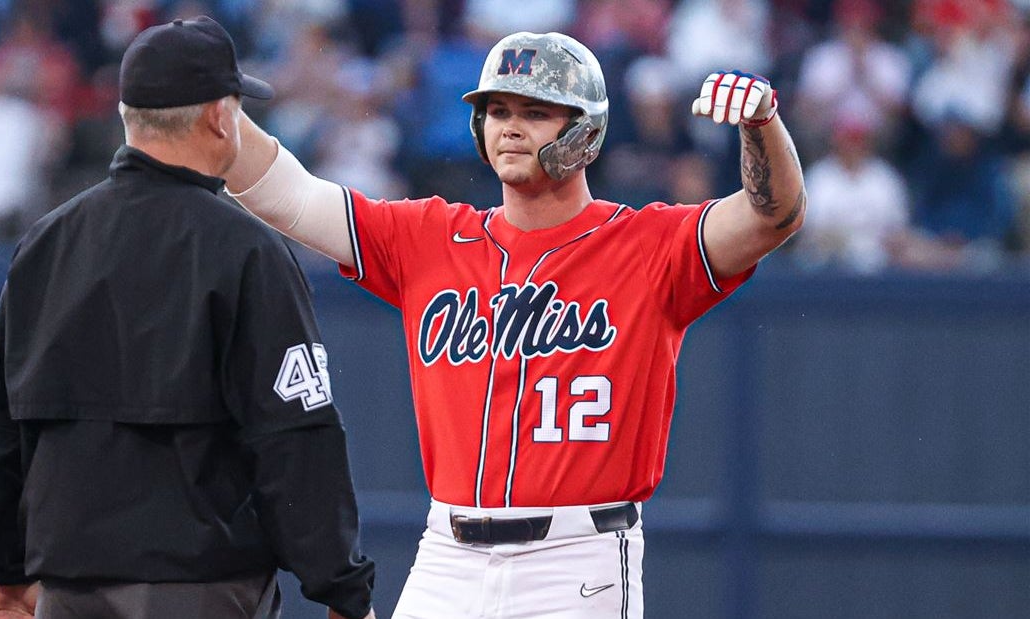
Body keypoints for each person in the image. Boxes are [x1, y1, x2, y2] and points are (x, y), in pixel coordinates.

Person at [224, 31, 805, 618]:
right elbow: (283, 194)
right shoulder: (428, 237)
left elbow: (771, 215)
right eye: (498, 110)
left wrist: (762, 126)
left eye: (535, 111)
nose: (510, 125)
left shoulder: (647, 245)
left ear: (586, 129)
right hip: (447, 554)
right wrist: (210, 103)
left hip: (578, 558)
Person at [0, 16, 375, 619]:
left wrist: (3, 566)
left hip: (68, 588)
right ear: (219, 118)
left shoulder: (48, 242)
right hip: (202, 588)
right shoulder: (247, 251)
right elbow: (296, 440)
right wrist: (341, 588)